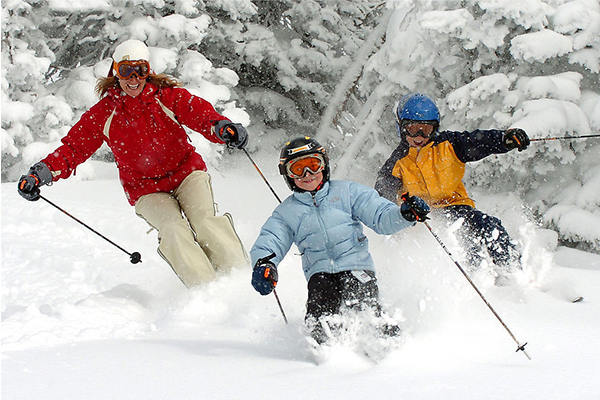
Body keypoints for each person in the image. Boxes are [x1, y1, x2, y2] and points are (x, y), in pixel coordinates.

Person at [17, 39, 249, 287]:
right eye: (127, 70)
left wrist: (222, 128)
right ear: (116, 72)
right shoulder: (105, 113)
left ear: (148, 71)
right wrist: (40, 173)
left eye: (140, 70)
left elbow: (201, 114)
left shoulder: (166, 97)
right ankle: (207, 289)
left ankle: (241, 279)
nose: (134, 78)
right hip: (146, 189)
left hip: (186, 173)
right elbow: (74, 148)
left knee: (204, 221)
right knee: (173, 229)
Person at [249, 136, 430, 344]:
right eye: (298, 169)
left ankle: (384, 341)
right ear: (288, 175)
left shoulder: (348, 192)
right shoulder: (287, 212)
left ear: (324, 166)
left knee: (362, 300)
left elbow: (380, 216)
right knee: (321, 308)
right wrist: (265, 265)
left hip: (356, 266)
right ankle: (326, 347)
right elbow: (271, 239)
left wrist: (404, 215)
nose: (307, 174)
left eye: (313, 165)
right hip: (320, 273)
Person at [375, 93, 530, 280]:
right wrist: (404, 209)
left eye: (426, 130)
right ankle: (471, 280)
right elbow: (382, 193)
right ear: (401, 127)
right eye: (413, 129)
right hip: (423, 216)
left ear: (435, 129)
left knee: (487, 227)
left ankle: (513, 273)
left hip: (455, 205)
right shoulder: (397, 162)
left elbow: (479, 141)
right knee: (460, 246)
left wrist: (504, 139)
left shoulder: (450, 144)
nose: (419, 137)